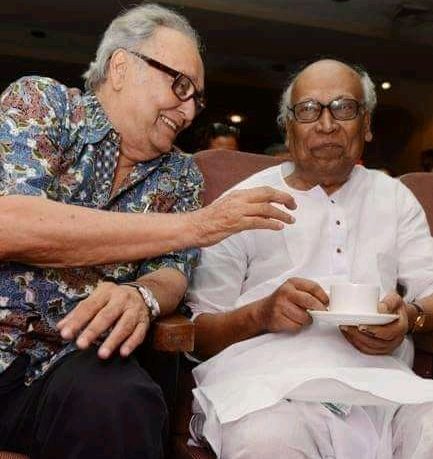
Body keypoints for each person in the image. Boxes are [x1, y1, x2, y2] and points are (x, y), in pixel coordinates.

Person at [0, 4, 297, 458]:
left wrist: (143, 294)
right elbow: (13, 226)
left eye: (197, 98)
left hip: (68, 360)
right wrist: (196, 225)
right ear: (121, 66)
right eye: (180, 86)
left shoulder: (180, 175)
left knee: (124, 399)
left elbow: (173, 273)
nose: (189, 109)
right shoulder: (43, 104)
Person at [186, 59, 433, 459]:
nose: (326, 124)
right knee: (266, 442)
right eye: (308, 110)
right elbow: (196, 333)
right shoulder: (242, 203)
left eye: (344, 108)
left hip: (386, 389)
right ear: (288, 127)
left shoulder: (393, 198)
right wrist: (260, 314)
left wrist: (409, 316)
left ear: (366, 125)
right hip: (266, 389)